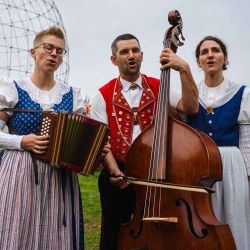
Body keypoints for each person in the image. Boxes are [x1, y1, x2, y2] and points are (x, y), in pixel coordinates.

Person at [90, 33, 199, 250]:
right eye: (124, 52)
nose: (131, 55)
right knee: (113, 235)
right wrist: (113, 171)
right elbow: (101, 140)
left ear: (141, 55)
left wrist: (185, 69)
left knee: (160, 234)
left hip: (157, 172)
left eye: (135, 51)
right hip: (118, 171)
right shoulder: (102, 95)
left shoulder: (160, 86)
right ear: (114, 59)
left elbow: (191, 106)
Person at [161, 36, 250, 250]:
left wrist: (247, 175)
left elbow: (246, 140)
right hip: (198, 167)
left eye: (215, 50)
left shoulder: (242, 92)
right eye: (204, 52)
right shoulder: (190, 93)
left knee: (232, 217)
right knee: (201, 220)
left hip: (230, 165)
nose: (210, 55)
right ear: (198, 62)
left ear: (225, 58)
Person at [0, 26, 84, 249]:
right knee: (18, 232)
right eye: (48, 48)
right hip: (20, 172)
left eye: (60, 51)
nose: (54, 54)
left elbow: (80, 137)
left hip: (60, 178)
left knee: (57, 236)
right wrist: (21, 141)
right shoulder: (13, 89)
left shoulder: (72, 95)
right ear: (33, 52)